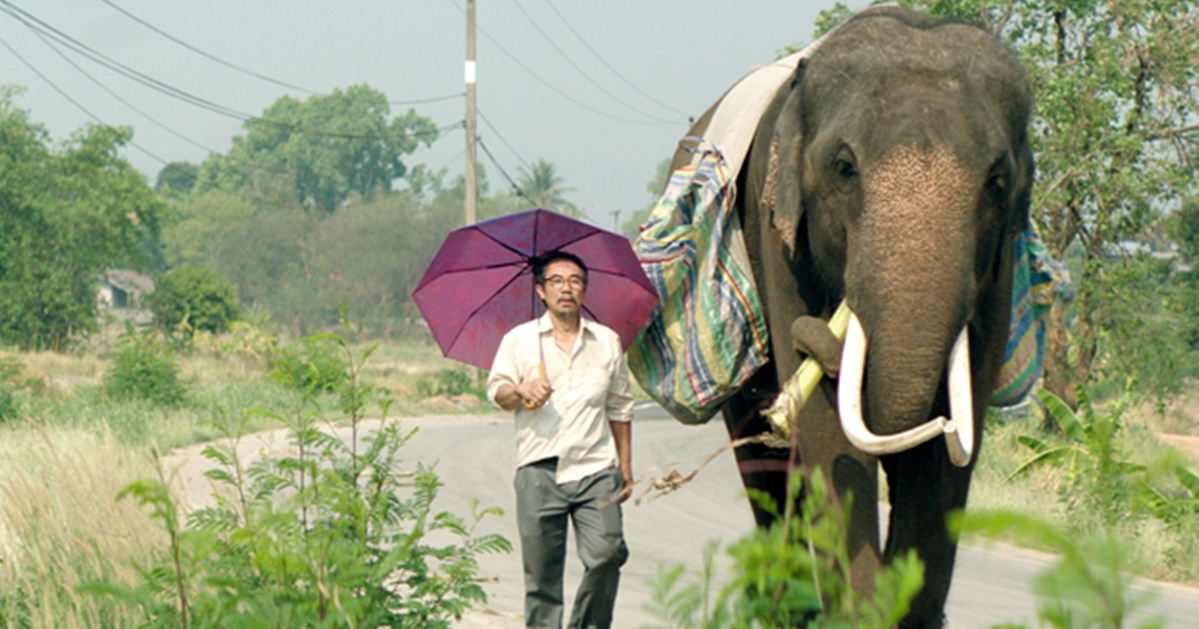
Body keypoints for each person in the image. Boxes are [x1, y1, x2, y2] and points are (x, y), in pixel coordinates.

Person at [487, 250, 634, 629]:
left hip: (596, 471)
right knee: (542, 582)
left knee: (608, 554)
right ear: (540, 290)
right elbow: (498, 393)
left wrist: (626, 468)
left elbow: (619, 407)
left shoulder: (606, 341)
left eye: (575, 281)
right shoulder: (520, 341)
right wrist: (521, 389)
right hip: (539, 472)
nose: (566, 288)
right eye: (556, 281)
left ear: (584, 290)